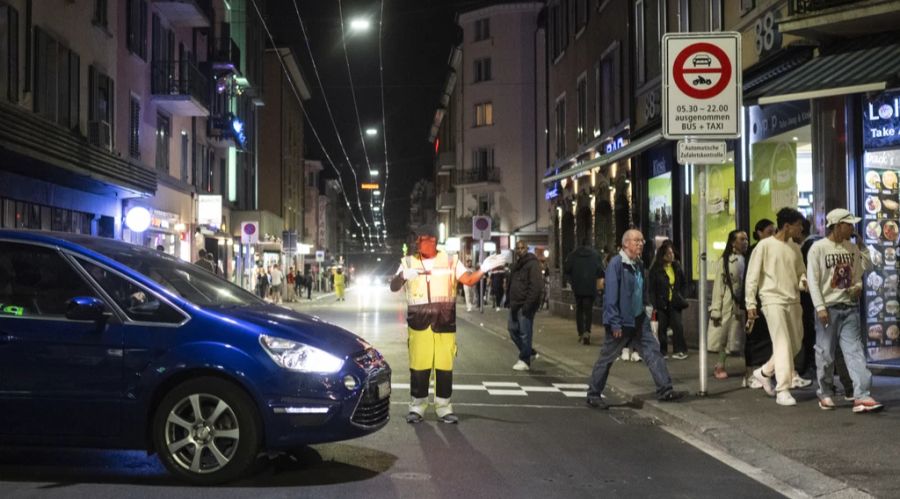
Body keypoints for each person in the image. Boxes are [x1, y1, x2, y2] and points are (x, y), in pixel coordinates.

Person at [390, 225, 504, 424]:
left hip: (444, 322)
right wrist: (402, 277)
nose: (418, 243)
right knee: (419, 368)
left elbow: (468, 280)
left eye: (421, 239)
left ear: (432, 240)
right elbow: (393, 286)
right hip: (419, 324)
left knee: (444, 367)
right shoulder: (408, 262)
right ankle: (417, 407)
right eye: (417, 239)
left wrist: (483, 269)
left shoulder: (451, 261)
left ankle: (444, 408)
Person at [586, 229, 684, 409]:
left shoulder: (638, 264)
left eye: (641, 241)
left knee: (653, 352)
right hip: (621, 322)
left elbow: (642, 291)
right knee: (607, 359)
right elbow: (611, 296)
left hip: (638, 320)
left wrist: (647, 310)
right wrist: (614, 322)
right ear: (625, 244)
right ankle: (593, 393)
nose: (640, 244)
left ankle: (665, 389)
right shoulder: (616, 264)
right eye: (636, 241)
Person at [807, 208, 882, 413]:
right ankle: (825, 392)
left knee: (855, 351)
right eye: (848, 224)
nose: (852, 228)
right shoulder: (817, 248)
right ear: (836, 225)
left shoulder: (852, 247)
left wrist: (857, 286)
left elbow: (862, 271)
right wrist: (820, 307)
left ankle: (862, 395)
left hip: (849, 307)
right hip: (828, 308)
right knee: (825, 354)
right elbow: (813, 280)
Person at [745, 207, 808, 407]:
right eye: (798, 226)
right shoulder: (764, 246)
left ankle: (764, 372)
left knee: (795, 343)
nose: (801, 229)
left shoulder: (795, 248)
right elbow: (752, 276)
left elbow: (801, 273)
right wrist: (750, 303)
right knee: (782, 343)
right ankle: (783, 389)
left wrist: (804, 281)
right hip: (771, 299)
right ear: (787, 226)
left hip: (793, 300)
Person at [708, 229, 749, 379]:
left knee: (741, 336)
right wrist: (716, 308)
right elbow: (718, 285)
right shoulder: (725, 261)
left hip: (743, 303)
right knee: (723, 336)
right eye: (741, 239)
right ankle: (720, 365)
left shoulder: (747, 258)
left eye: (746, 239)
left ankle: (749, 366)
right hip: (728, 303)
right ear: (733, 242)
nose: (745, 242)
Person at [742, 218, 776, 388]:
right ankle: (753, 372)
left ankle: (764, 371)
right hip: (756, 301)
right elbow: (750, 279)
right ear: (759, 233)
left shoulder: (772, 248)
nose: (773, 235)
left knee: (767, 338)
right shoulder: (756, 250)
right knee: (754, 337)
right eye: (769, 232)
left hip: (767, 301)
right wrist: (750, 303)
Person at [648, 240, 689, 359]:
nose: (672, 256)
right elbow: (652, 288)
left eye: (672, 253)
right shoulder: (656, 269)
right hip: (661, 303)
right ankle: (662, 350)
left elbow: (684, 283)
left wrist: (682, 295)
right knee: (662, 328)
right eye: (669, 254)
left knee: (678, 326)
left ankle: (679, 350)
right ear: (663, 256)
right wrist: (654, 304)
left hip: (674, 302)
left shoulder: (676, 267)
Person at [507, 241, 545, 371]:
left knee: (525, 333)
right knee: (512, 330)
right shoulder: (516, 265)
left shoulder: (532, 264)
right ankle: (530, 352)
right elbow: (511, 283)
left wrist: (528, 305)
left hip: (525, 305)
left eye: (523, 248)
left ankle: (525, 360)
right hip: (515, 304)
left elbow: (536, 286)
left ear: (527, 249)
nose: (520, 250)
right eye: (518, 248)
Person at [564, 239, 605, 345]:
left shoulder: (573, 255)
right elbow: (601, 271)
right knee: (588, 310)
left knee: (579, 309)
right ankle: (587, 331)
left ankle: (581, 332)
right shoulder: (595, 255)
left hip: (577, 286)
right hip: (590, 286)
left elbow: (567, 269)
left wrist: (572, 279)